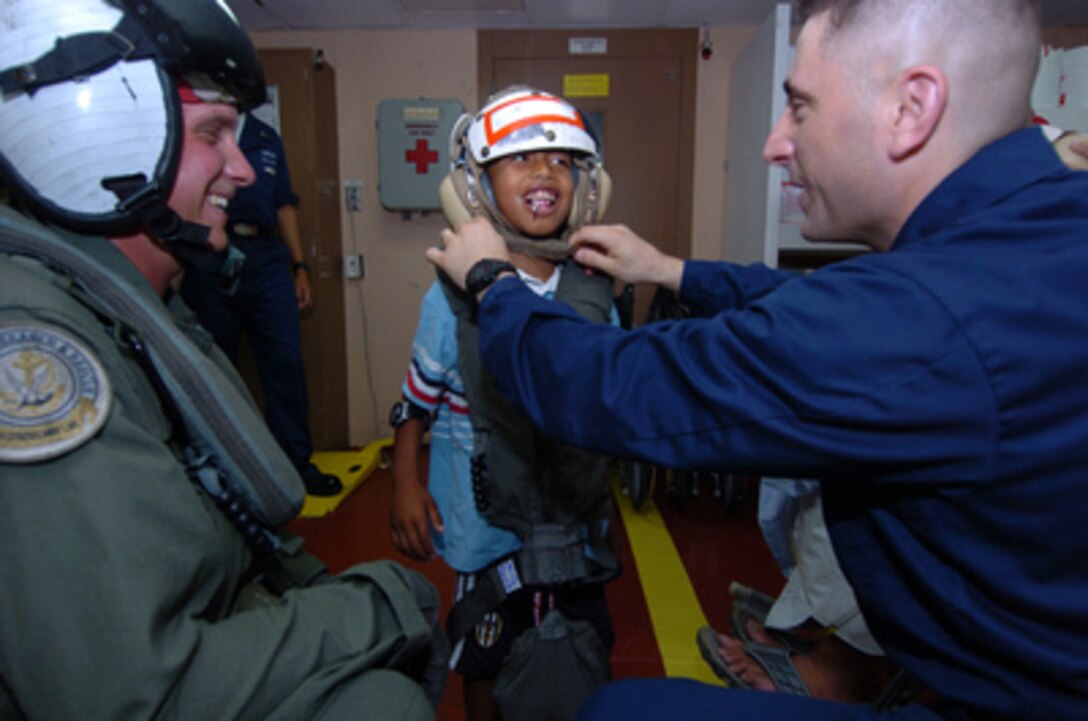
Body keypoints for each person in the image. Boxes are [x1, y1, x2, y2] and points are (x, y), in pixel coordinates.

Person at [425, 0, 1088, 719]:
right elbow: (828, 305)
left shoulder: (921, 321)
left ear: (912, 108)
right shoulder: (1033, 232)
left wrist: (494, 284)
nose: (774, 144)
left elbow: (608, 384)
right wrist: (673, 269)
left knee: (620, 711)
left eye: (799, 106)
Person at [0, 1, 446, 718]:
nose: (241, 169)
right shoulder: (34, 347)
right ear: (101, 136)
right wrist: (390, 604)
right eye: (214, 133)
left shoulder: (129, 307)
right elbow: (125, 691)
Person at [389, 86, 618, 721]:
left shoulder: (594, 294)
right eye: (520, 159)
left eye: (562, 161)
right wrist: (405, 481)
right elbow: (416, 400)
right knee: (485, 652)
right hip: (485, 530)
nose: (545, 172)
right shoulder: (451, 298)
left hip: (577, 525)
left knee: (581, 647)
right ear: (477, 187)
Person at [180, 108, 342, 497]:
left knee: (285, 362)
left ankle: (296, 464)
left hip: (266, 257)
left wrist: (299, 267)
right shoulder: (198, 134)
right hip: (212, 254)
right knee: (215, 365)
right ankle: (222, 471)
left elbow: (285, 204)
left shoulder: (267, 138)